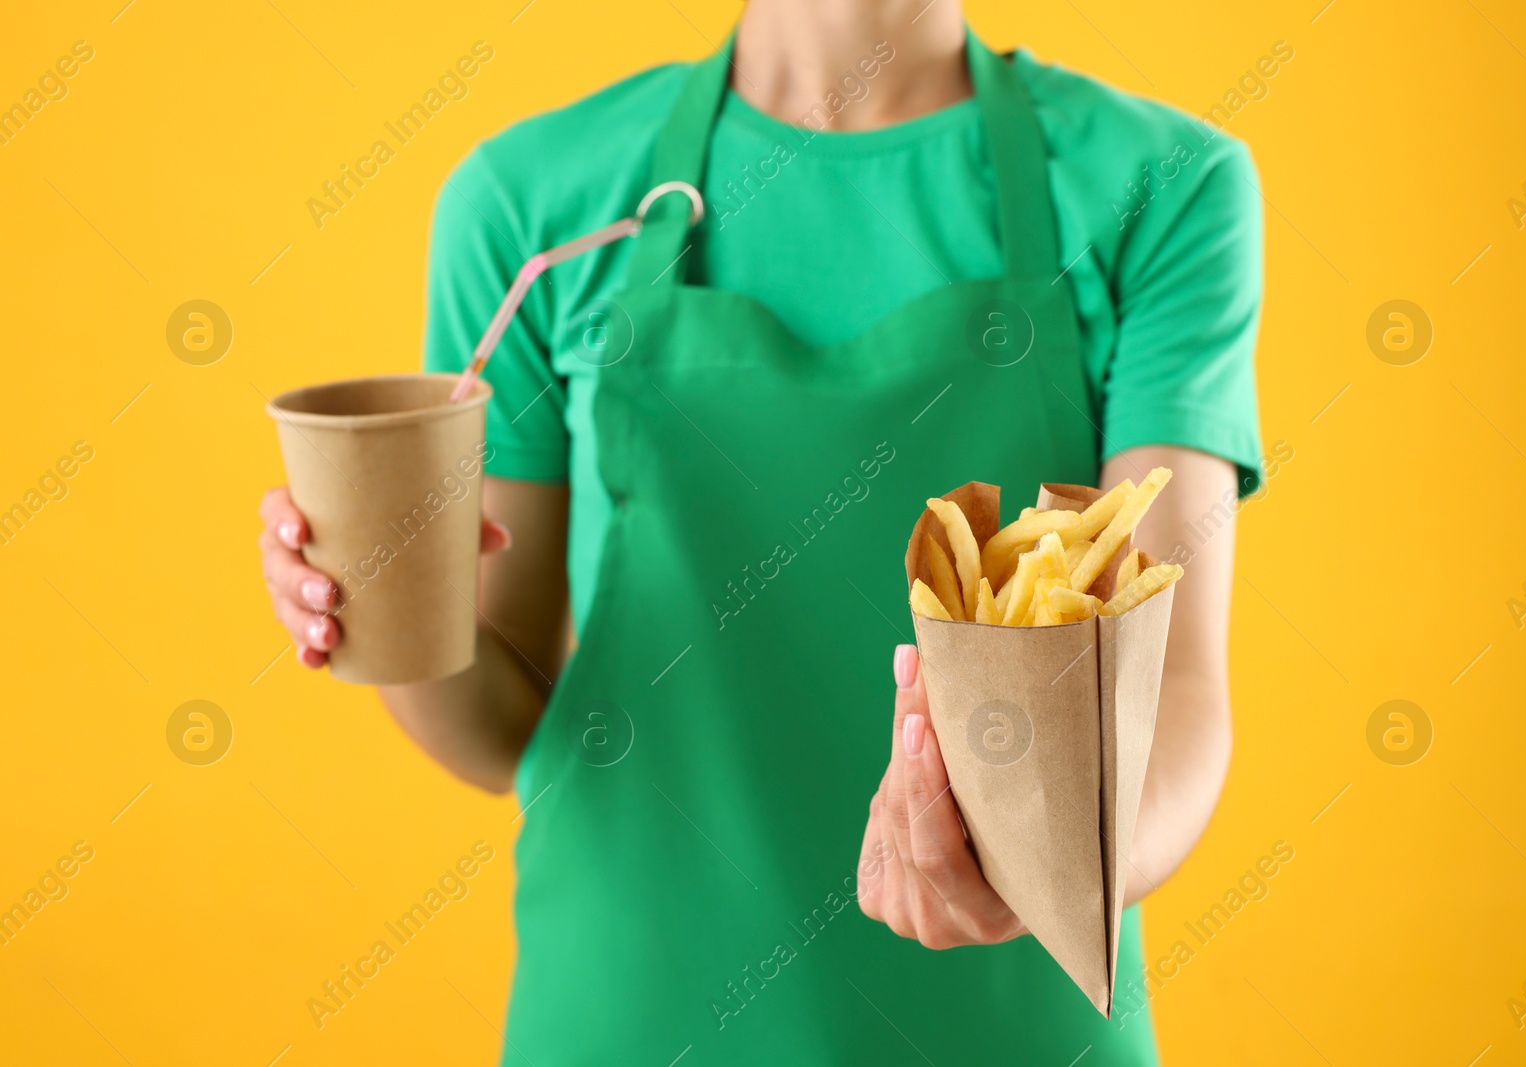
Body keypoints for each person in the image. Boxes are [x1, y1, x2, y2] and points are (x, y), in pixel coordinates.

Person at [258, 0, 1261, 1061]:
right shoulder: (527, 202)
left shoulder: (1161, 188)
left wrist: (1062, 866)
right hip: (634, 1012)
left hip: (1008, 1023)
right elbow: (506, 729)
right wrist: (375, 595)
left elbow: (1176, 694)